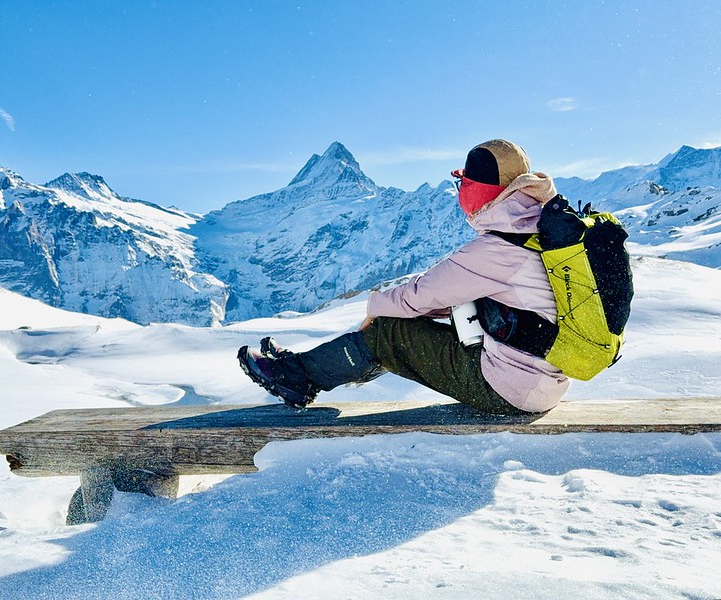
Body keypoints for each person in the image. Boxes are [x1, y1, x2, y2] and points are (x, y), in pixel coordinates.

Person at [238, 139, 570, 415]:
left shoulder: (500, 248)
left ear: (481, 190)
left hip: (512, 388)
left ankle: (296, 377)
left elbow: (419, 294)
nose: (460, 191)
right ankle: (307, 367)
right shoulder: (537, 231)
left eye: (464, 183)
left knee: (391, 330)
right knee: (414, 323)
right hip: (539, 379)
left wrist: (374, 306)